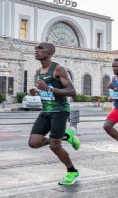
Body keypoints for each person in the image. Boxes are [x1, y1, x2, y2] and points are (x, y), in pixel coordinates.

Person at [28, 42, 82, 185]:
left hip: (59, 111)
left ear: (50, 52)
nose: (37, 50)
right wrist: (37, 92)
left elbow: (72, 92)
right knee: (33, 143)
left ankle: (72, 171)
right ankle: (66, 136)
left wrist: (48, 89)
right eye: (36, 48)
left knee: (54, 146)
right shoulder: (39, 71)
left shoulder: (58, 69)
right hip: (45, 110)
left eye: (41, 49)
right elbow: (47, 91)